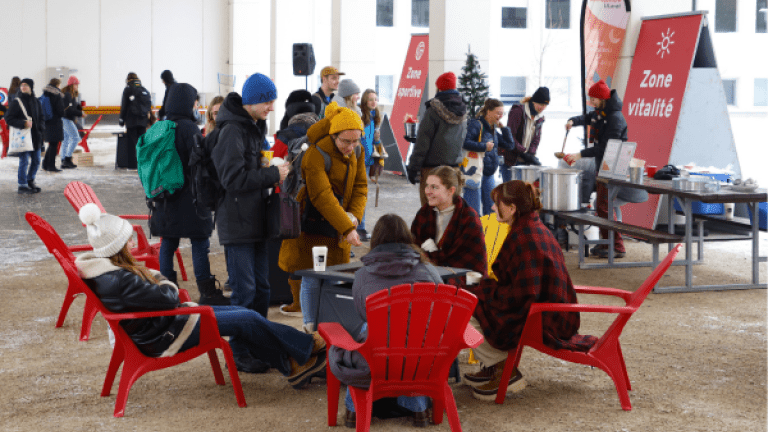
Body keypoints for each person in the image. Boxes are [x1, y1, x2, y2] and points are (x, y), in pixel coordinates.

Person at [74, 203, 326, 387]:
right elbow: (169, 295)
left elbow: (162, 294)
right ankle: (303, 348)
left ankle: (293, 362)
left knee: (246, 316)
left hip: (165, 324)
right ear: (117, 247)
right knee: (246, 319)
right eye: (128, 241)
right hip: (167, 334)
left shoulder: (112, 272)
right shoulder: (119, 278)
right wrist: (162, 280)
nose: (132, 244)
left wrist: (159, 281)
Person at [462, 180, 597, 400]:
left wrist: (483, 291)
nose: (494, 208)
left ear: (512, 208)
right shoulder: (531, 227)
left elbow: (521, 296)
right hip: (552, 311)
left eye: (497, 204)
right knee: (472, 295)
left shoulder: (525, 236)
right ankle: (493, 364)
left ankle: (502, 367)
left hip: (544, 318)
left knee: (463, 309)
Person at [211, 73, 290, 371]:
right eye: (268, 101)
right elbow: (231, 179)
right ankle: (239, 351)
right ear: (254, 100)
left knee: (262, 289)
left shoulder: (254, 127)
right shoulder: (232, 131)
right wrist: (273, 175)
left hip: (254, 218)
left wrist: (268, 167)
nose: (272, 106)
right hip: (237, 222)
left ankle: (258, 345)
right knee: (244, 291)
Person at [330, 214, 440, 428]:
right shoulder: (428, 271)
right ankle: (418, 408)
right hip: (422, 359)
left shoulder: (363, 275)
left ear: (376, 241)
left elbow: (363, 312)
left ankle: (354, 411)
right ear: (408, 238)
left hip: (377, 358)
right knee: (413, 335)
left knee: (369, 326)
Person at [278, 102, 367, 333]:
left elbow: (360, 186)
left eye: (356, 140)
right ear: (333, 134)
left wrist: (354, 217)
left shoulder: (357, 150)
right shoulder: (314, 154)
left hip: (337, 226)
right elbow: (322, 196)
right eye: (345, 141)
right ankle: (311, 328)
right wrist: (348, 228)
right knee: (312, 276)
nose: (351, 146)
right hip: (311, 225)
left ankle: (331, 328)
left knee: (335, 275)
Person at [147, 82, 228, 306]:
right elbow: (199, 161)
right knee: (200, 241)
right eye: (194, 101)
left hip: (164, 198)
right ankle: (206, 291)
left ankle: (167, 290)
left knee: (168, 243)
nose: (196, 105)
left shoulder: (160, 128)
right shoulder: (188, 128)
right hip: (191, 196)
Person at [564, 80, 628, 258]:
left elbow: (605, 148)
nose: (591, 102)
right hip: (604, 166)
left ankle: (617, 246)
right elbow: (587, 117)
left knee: (605, 207)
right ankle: (609, 244)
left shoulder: (615, 118)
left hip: (613, 166)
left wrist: (580, 154)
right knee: (602, 207)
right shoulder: (602, 113)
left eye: (593, 99)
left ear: (601, 99)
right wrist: (572, 121)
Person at [410, 165, 487, 285]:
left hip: (463, 285)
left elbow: (476, 273)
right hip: (427, 279)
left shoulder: (469, 219)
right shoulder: (423, 214)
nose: (427, 192)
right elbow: (412, 252)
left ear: (451, 190)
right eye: (426, 186)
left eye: (434, 187)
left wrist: (431, 253)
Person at [405, 72, 468, 207]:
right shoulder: (463, 111)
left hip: (432, 172)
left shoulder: (433, 110)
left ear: (439, 88)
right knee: (451, 214)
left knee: (430, 215)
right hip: (454, 171)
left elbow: (423, 143)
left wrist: (413, 168)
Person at [462, 98, 514, 216]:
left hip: (488, 174)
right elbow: (464, 142)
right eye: (498, 113)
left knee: (491, 209)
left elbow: (510, 145)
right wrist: (484, 147)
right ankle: (472, 233)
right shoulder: (476, 124)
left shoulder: (493, 129)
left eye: (502, 113)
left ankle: (487, 233)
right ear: (488, 111)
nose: (500, 116)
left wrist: (504, 129)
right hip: (474, 173)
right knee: (473, 211)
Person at [500, 87, 548, 183]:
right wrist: (523, 152)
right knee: (511, 194)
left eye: (545, 105)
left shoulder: (540, 118)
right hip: (511, 161)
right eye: (541, 104)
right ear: (534, 101)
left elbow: (536, 139)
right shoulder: (518, 111)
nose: (542, 107)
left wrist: (530, 154)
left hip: (525, 163)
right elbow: (510, 136)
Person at [5, 78, 45, 194]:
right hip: (24, 137)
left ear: (31, 87)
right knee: (24, 161)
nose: (23, 87)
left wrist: (41, 128)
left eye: (26, 85)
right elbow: (8, 118)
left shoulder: (36, 101)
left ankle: (30, 180)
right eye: (22, 85)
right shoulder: (16, 102)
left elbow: (42, 116)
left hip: (36, 136)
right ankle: (22, 185)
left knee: (37, 160)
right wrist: (23, 123)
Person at [357, 89, 384, 241]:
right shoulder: (361, 116)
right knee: (359, 194)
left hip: (367, 162)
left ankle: (361, 227)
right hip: (358, 160)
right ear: (364, 102)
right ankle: (358, 227)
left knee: (363, 195)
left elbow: (375, 140)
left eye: (375, 99)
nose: (374, 102)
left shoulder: (375, 117)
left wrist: (378, 156)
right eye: (370, 99)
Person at [118, 72, 151, 169]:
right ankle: (143, 164)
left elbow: (124, 105)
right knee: (142, 143)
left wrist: (121, 119)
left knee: (132, 143)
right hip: (143, 121)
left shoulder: (128, 89)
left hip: (131, 121)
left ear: (128, 80)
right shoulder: (144, 90)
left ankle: (132, 165)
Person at [41, 78, 66, 173]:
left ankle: (45, 164)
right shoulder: (57, 95)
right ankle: (51, 166)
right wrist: (63, 111)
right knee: (54, 145)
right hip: (55, 122)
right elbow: (60, 111)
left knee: (52, 144)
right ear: (57, 85)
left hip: (47, 121)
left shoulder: (45, 93)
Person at [60, 75, 84, 169]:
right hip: (66, 119)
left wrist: (79, 108)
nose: (77, 86)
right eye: (76, 84)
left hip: (66, 119)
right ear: (72, 84)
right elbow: (69, 110)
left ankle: (63, 160)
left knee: (65, 140)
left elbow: (73, 107)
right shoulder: (68, 95)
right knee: (75, 138)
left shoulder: (71, 94)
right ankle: (67, 159)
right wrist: (80, 113)